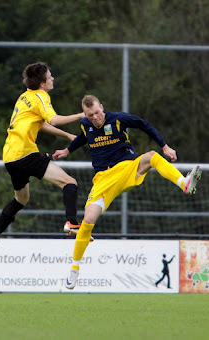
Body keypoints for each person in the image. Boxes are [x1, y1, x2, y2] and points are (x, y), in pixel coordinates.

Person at [52, 94, 202, 290]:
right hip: (103, 181)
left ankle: (184, 182)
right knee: (87, 221)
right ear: (86, 115)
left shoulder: (118, 119)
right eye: (90, 115)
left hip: (127, 168)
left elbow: (144, 124)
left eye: (97, 112)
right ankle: (74, 269)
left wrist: (165, 146)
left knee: (151, 156)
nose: (95, 117)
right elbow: (84, 137)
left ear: (102, 108)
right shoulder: (85, 124)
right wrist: (67, 150)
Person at [0, 62, 85, 262]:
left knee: (21, 199)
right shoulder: (41, 96)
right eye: (50, 76)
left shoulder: (25, 96)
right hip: (26, 154)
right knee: (70, 183)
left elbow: (42, 124)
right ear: (43, 82)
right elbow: (53, 119)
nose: (53, 78)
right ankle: (72, 223)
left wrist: (68, 136)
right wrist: (81, 115)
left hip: (10, 157)